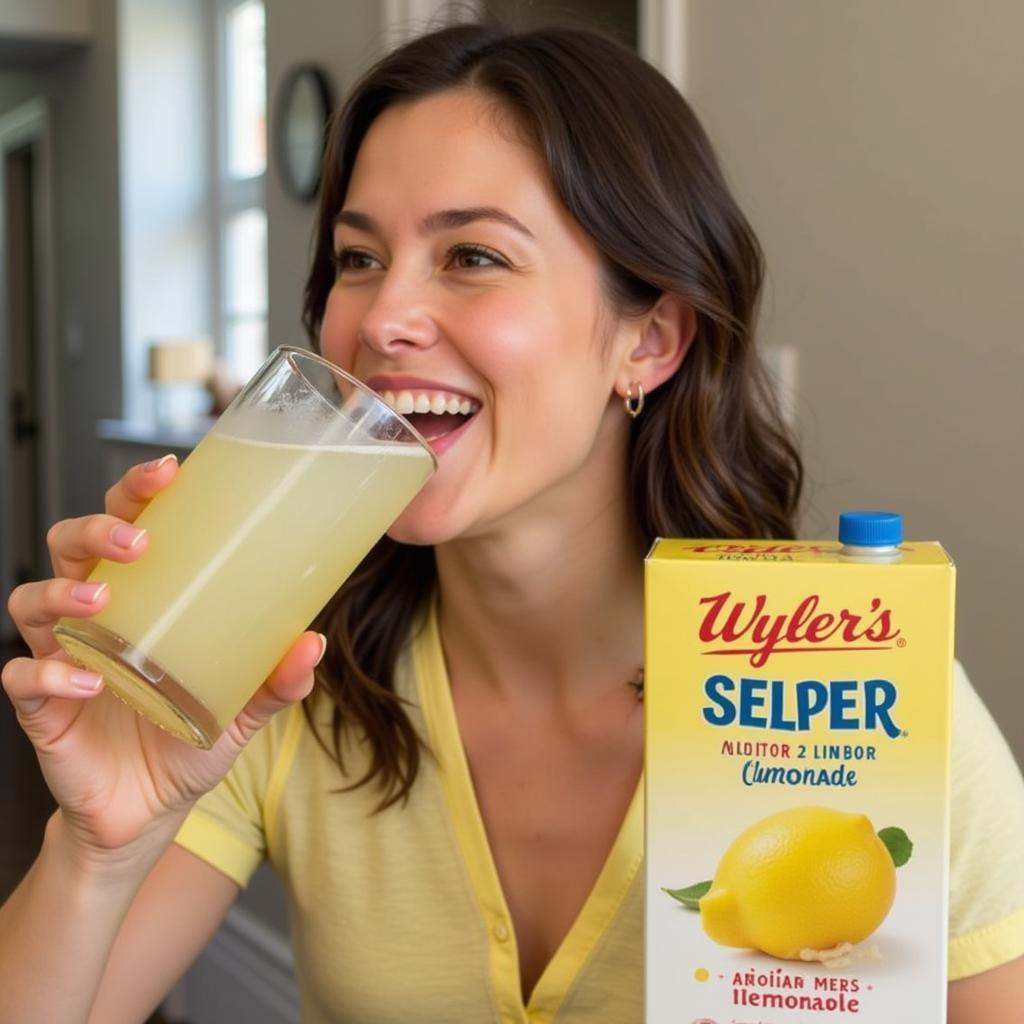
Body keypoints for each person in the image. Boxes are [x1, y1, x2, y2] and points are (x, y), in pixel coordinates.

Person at [2, 21, 1022, 1024]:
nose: (383, 316)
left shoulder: (866, 695)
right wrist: (98, 847)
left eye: (474, 256)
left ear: (650, 341)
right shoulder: (279, 679)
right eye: (358, 259)